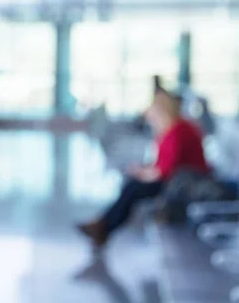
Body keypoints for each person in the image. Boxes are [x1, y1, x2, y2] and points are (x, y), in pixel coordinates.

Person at [77, 89, 208, 248]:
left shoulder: (178, 131)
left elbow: (166, 171)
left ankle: (103, 226)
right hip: (178, 179)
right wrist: (143, 170)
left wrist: (144, 173)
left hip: (186, 183)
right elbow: (164, 164)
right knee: (132, 185)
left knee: (133, 188)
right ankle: (103, 225)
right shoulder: (173, 128)